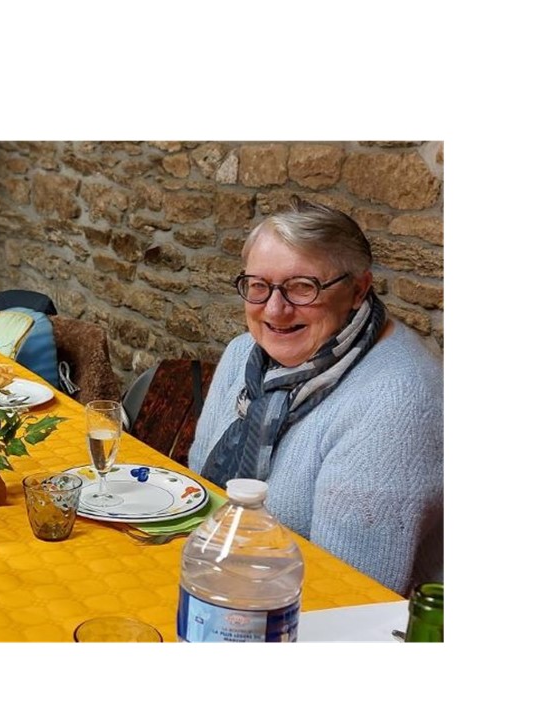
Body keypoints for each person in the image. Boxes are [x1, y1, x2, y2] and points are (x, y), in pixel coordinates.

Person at [188, 197, 442, 596]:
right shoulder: (244, 354)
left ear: (358, 290)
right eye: (258, 286)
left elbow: (351, 592)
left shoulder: (395, 400)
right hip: (224, 574)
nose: (275, 310)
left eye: (302, 287)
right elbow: (202, 491)